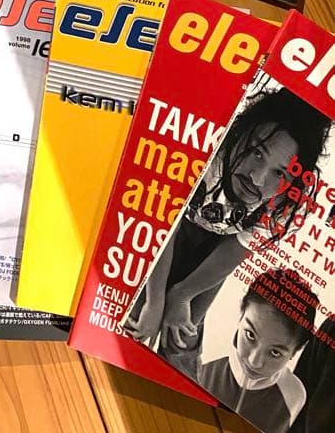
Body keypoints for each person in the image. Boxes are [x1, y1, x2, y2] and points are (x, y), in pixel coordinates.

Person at [126, 86, 330, 377]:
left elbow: (235, 249)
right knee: (139, 314)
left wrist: (182, 296)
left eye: (279, 173)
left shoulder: (290, 201)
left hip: (218, 249)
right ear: (240, 132)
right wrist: (156, 298)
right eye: (257, 153)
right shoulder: (210, 141)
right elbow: (164, 217)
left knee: (183, 336)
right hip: (170, 226)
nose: (257, 178)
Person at [198, 269, 318, 433]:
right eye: (250, 335)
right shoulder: (203, 360)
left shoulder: (294, 395)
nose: (254, 361)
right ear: (241, 312)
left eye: (275, 352)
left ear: (297, 350)